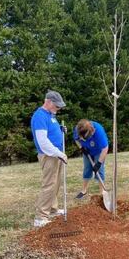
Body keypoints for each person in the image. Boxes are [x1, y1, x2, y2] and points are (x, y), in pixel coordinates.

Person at [30, 90, 68, 227]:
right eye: (57, 106)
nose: (58, 109)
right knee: (49, 184)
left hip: (56, 154)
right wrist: (58, 153)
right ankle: (40, 217)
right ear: (49, 102)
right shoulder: (40, 116)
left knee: (55, 183)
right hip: (49, 155)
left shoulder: (50, 115)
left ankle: (52, 209)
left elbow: (51, 130)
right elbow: (43, 142)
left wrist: (60, 128)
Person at [73, 119, 109, 199]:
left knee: (99, 170)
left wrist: (99, 163)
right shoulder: (78, 129)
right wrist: (81, 148)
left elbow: (105, 148)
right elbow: (76, 139)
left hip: (98, 151)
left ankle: (102, 191)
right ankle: (84, 190)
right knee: (87, 169)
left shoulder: (99, 131)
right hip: (87, 151)